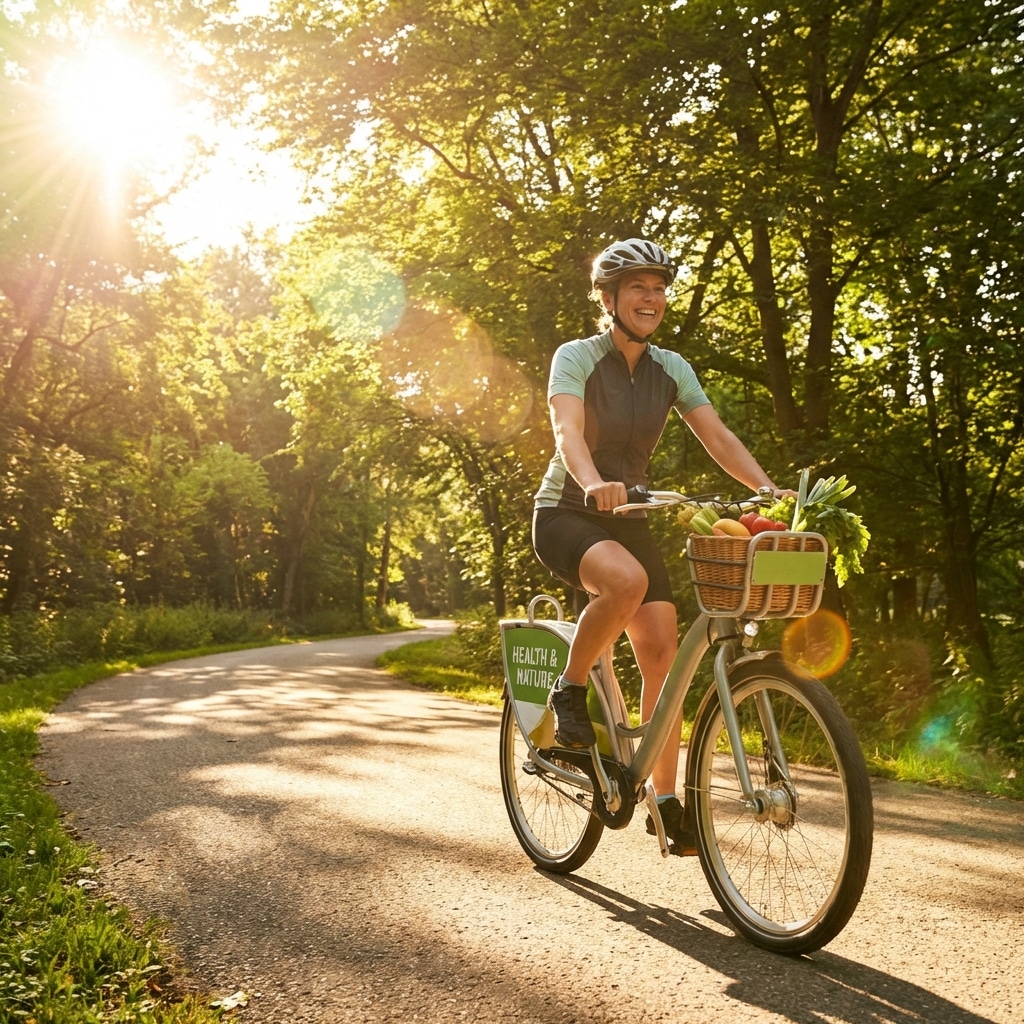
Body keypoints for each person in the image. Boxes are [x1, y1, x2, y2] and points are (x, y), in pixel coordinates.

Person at [532, 238, 790, 854]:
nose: (652, 298)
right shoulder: (577, 356)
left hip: (633, 515)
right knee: (626, 582)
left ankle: (664, 801)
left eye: (659, 287)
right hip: (569, 510)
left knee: (665, 658)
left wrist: (769, 491)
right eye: (638, 288)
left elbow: (716, 435)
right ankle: (567, 690)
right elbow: (567, 429)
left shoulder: (671, 367)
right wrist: (593, 483)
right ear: (609, 297)